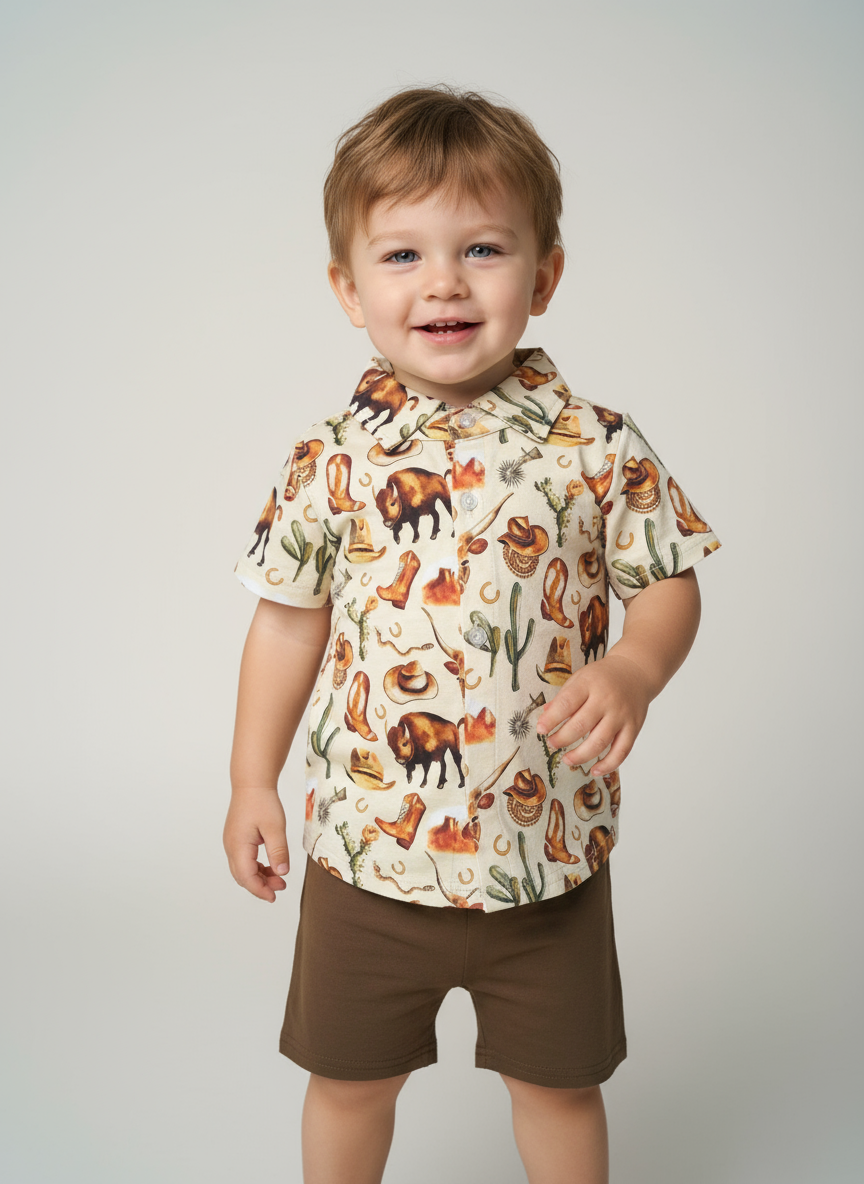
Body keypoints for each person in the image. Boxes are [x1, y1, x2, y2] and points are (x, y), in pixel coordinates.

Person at [224, 85, 720, 1184]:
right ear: (348, 289)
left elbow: (668, 585)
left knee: (561, 1086)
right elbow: (287, 623)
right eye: (402, 255)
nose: (444, 281)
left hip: (548, 858)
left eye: (482, 249)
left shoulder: (598, 446)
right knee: (348, 1082)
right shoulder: (331, 457)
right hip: (368, 857)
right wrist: (251, 778)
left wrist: (637, 666)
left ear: (543, 276)